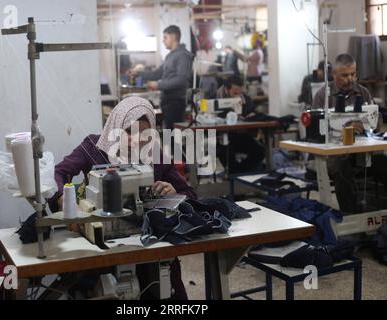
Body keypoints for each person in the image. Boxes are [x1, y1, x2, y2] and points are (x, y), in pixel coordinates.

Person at [48, 97, 195, 299]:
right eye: (129, 132)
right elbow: (58, 173)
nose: (137, 141)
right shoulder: (94, 147)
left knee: (168, 293)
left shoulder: (155, 155)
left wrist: (174, 194)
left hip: (147, 245)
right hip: (100, 249)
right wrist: (63, 200)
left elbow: (191, 196)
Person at [312, 54, 387, 214]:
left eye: (353, 74)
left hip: (363, 155)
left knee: (384, 164)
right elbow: (316, 130)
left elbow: (377, 123)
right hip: (336, 157)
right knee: (343, 171)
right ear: (334, 74)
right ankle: (351, 220)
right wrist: (346, 129)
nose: (351, 79)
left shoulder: (363, 93)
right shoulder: (322, 96)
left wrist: (367, 126)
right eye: (345, 75)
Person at [135, 25, 193, 130]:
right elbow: (157, 73)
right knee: (168, 136)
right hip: (167, 102)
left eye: (165, 37)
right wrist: (138, 73)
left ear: (174, 37)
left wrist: (158, 84)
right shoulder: (169, 56)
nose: (163, 40)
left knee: (173, 138)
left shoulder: (183, 56)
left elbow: (181, 80)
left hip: (176, 103)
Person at [216, 76, 265, 175]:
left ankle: (239, 174)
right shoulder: (216, 99)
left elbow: (252, 110)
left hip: (241, 136)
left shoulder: (245, 99)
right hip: (221, 138)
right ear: (226, 89)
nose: (237, 96)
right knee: (224, 151)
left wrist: (252, 114)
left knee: (260, 151)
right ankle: (236, 175)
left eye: (240, 93)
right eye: (235, 93)